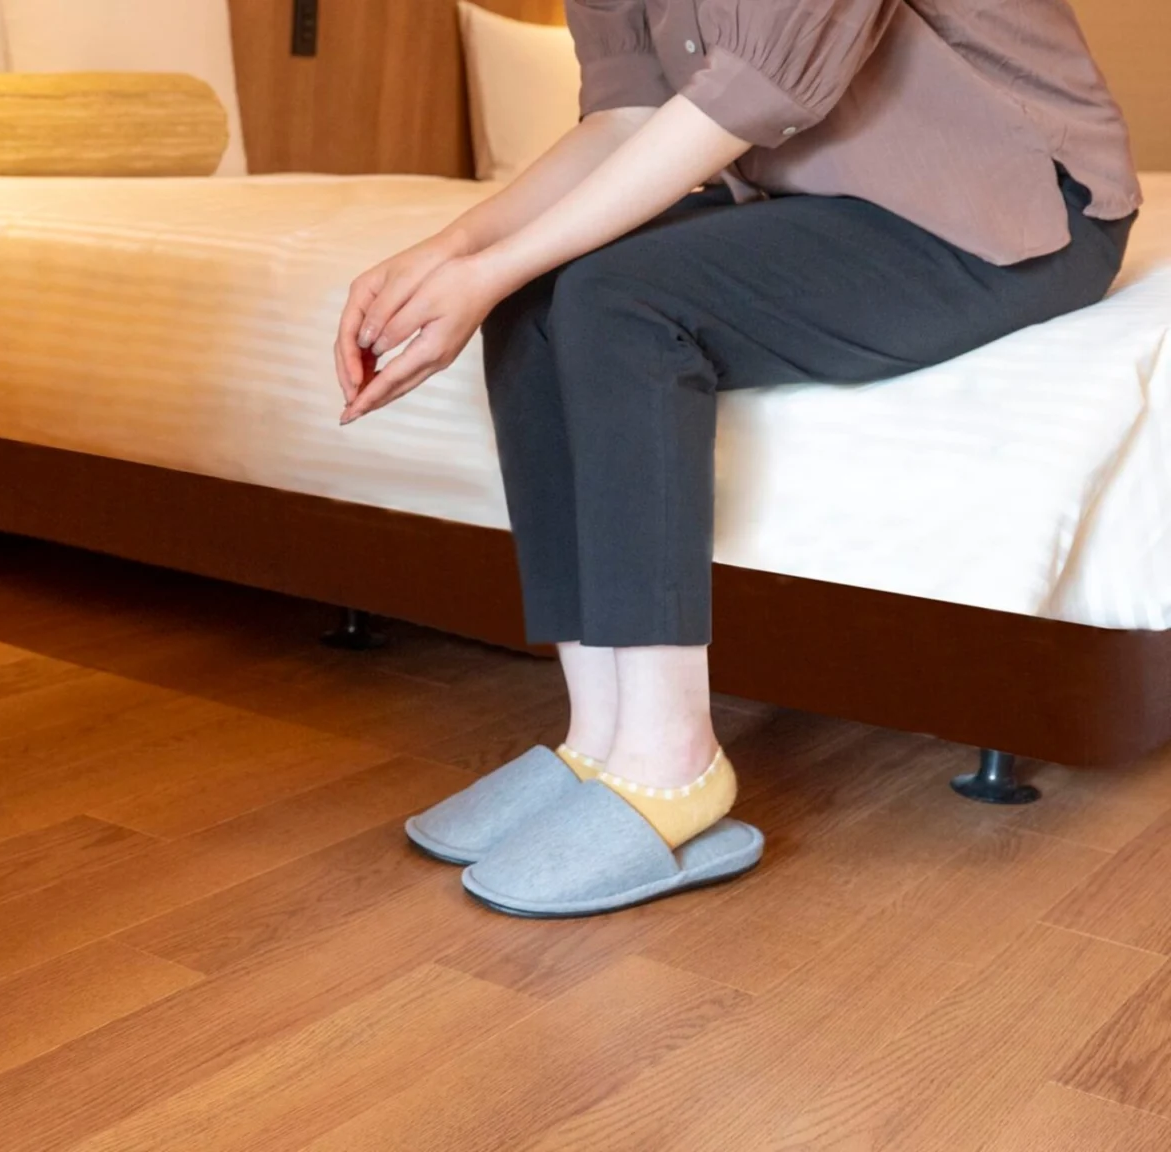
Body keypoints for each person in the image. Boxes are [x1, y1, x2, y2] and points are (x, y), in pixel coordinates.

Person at [338, 0, 1140, 918]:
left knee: (620, 300)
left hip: (1010, 195)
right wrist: (455, 252)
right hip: (821, 190)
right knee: (532, 299)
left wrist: (488, 267)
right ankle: (599, 740)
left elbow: (755, 89)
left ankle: (671, 760)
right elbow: (630, 114)